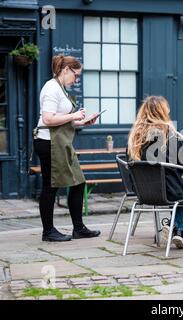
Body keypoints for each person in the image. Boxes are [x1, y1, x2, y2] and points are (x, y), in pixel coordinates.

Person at [33, 55, 101, 242]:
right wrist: (73, 117)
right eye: (76, 75)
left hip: (61, 142)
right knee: (50, 187)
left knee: (78, 183)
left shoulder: (60, 88)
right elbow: (48, 119)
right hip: (49, 143)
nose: (76, 79)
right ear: (66, 70)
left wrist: (82, 122)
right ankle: (48, 232)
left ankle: (78, 228)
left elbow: (61, 120)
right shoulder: (51, 88)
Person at [127, 96, 183, 249]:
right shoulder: (170, 135)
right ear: (163, 113)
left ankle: (178, 231)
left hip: (144, 192)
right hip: (170, 190)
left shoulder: (135, 138)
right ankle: (174, 224)